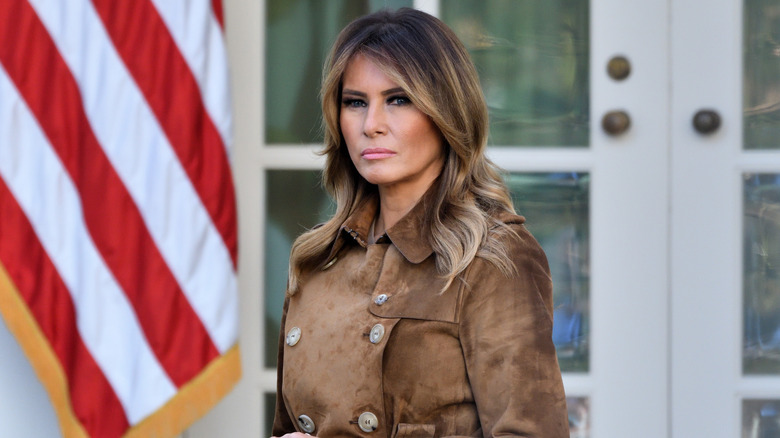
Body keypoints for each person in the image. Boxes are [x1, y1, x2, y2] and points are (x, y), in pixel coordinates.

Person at [272, 8, 568, 438]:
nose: (371, 125)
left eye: (398, 99)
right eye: (355, 102)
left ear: (447, 111)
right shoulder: (317, 259)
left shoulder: (492, 259)